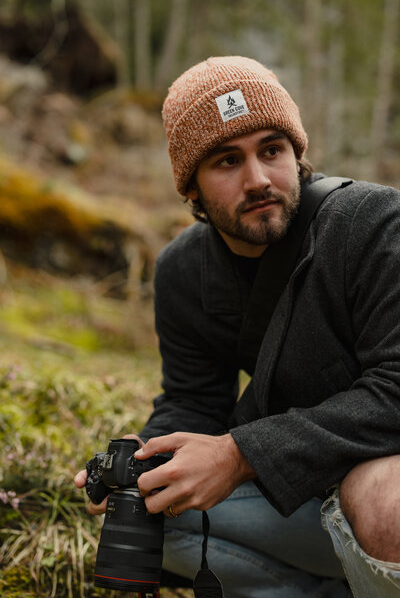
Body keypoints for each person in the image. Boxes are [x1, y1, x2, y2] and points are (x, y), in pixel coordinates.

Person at [74, 56, 400, 597]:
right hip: (306, 489)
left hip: (383, 477)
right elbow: (195, 401)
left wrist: (241, 454)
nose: (258, 180)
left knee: (382, 499)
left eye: (271, 150)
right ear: (191, 189)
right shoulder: (182, 271)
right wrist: (149, 453)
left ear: (297, 154)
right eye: (227, 161)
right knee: (150, 507)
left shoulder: (373, 224)